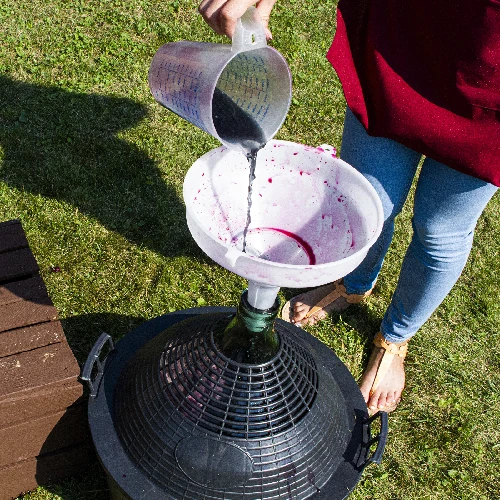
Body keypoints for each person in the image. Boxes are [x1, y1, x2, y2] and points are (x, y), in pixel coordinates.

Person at [198, 0, 500, 414]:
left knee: (439, 229)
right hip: (404, 40)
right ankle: (353, 285)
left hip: (492, 74)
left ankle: (394, 340)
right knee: (367, 202)